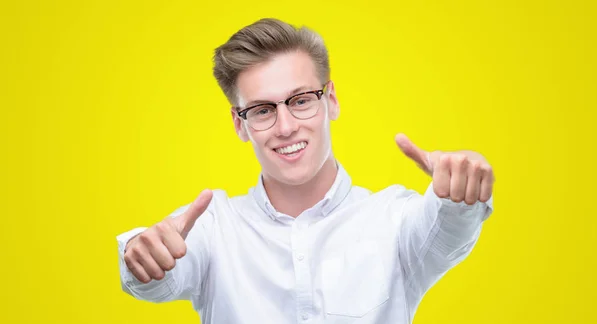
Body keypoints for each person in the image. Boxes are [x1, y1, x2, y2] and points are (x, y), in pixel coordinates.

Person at [116, 18, 495, 324]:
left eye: (300, 101)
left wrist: (460, 193)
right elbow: (156, 278)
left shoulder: (393, 219)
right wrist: (141, 257)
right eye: (263, 110)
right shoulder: (214, 228)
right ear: (239, 124)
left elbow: (448, 229)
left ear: (330, 100)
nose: (285, 127)